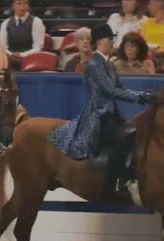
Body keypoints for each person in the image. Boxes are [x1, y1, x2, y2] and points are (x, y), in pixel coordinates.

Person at [48, 23, 157, 197]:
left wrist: (142, 94)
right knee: (120, 140)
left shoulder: (109, 65)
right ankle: (112, 184)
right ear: (99, 42)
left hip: (111, 114)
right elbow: (111, 90)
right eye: (109, 39)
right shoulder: (94, 66)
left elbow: (120, 87)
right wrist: (140, 97)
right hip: (97, 116)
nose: (112, 42)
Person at [0, 0, 46, 70]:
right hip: (10, 59)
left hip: (30, 59)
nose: (22, 6)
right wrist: (11, 55)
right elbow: (3, 46)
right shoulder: (5, 23)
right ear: (13, 6)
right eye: (19, 4)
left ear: (28, 6)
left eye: (25, 3)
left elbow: (38, 47)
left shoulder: (36, 22)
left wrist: (21, 55)